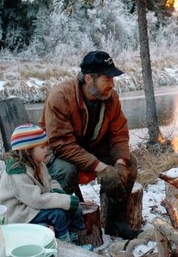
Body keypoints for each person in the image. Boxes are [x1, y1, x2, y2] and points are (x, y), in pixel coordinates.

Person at [39, 50, 142, 240]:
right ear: (89, 79)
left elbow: (119, 134)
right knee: (66, 171)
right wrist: (101, 167)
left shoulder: (111, 98)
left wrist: (119, 164)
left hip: (88, 149)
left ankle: (115, 221)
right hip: (55, 154)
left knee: (130, 163)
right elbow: (62, 144)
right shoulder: (60, 97)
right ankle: (62, 227)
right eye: (107, 79)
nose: (112, 83)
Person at [0, 124, 85, 242]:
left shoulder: (38, 164)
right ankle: (65, 242)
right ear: (28, 151)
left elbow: (50, 181)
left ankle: (75, 236)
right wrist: (63, 200)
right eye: (42, 147)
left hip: (31, 205)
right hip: (20, 213)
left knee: (72, 209)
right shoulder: (17, 173)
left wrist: (58, 192)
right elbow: (35, 199)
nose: (46, 150)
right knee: (58, 214)